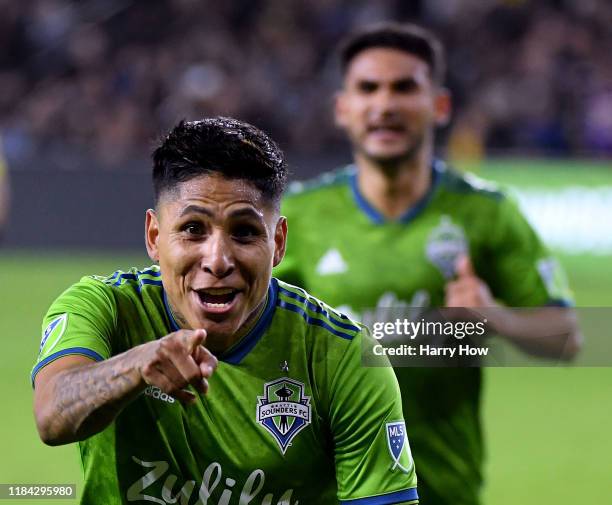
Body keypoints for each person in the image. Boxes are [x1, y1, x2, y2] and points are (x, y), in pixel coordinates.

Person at [32, 118, 419, 505]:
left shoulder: (341, 355)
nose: (217, 260)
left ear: (279, 242)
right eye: (192, 229)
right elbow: (52, 415)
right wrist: (135, 366)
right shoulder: (106, 307)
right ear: (154, 237)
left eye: (245, 232)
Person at [275, 23, 582, 505]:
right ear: (343, 108)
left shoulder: (487, 212)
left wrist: (492, 317)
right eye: (368, 88)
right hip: (329, 489)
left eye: (404, 87)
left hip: (444, 486)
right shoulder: (300, 215)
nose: (385, 104)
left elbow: (565, 336)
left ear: (439, 105)